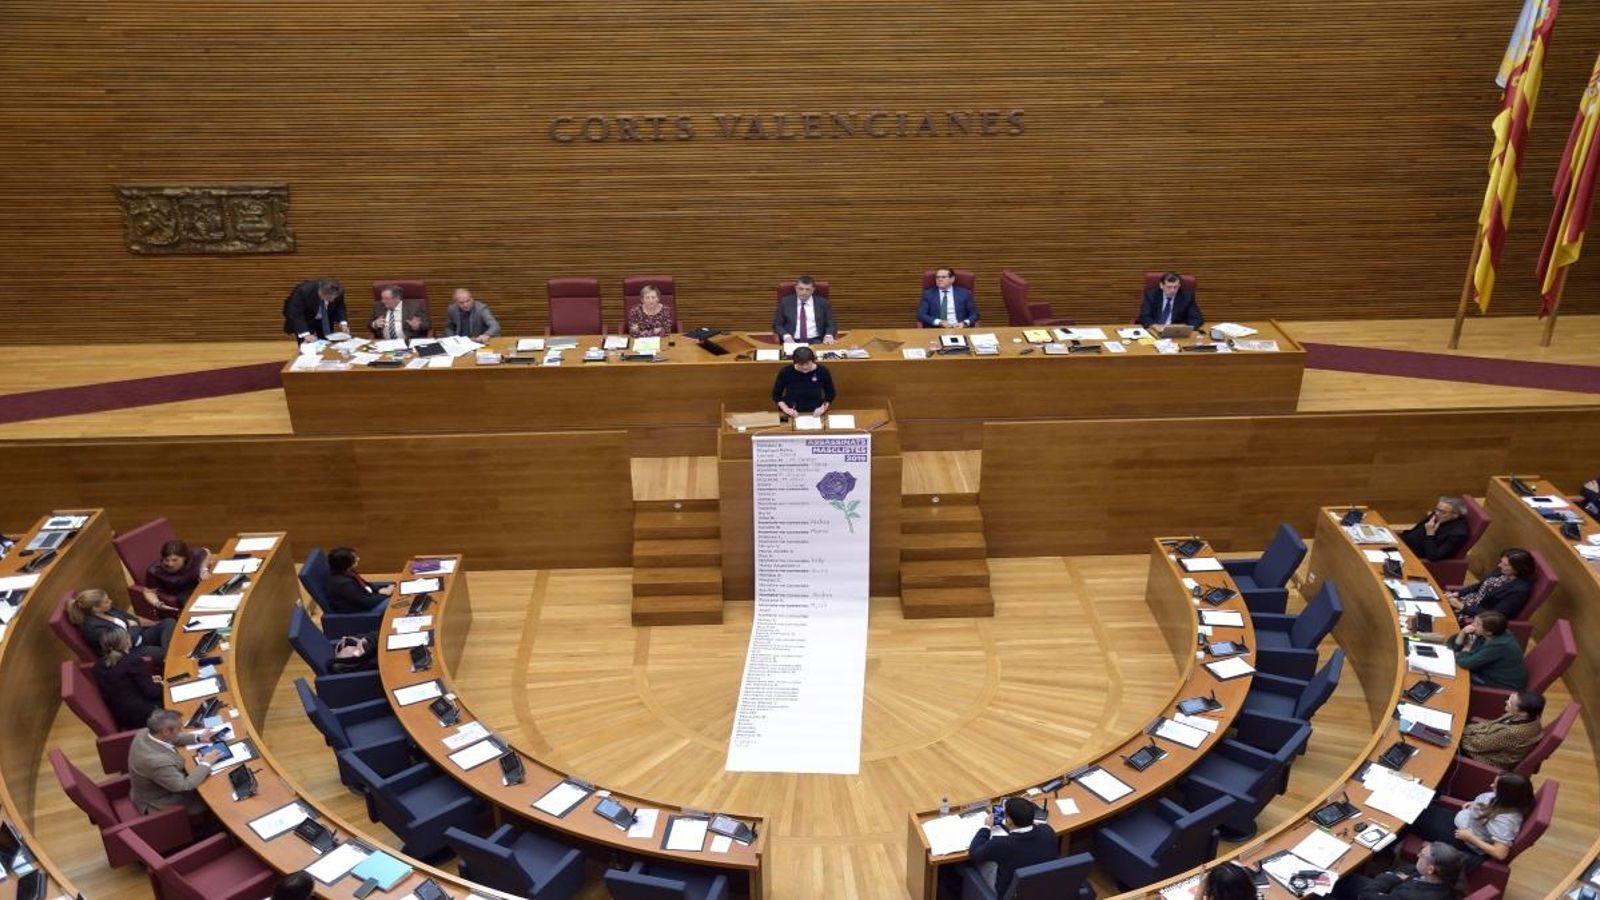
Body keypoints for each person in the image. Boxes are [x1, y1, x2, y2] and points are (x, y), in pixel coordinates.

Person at [1408, 773, 1533, 872]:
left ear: (1507, 794)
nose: (1491, 786)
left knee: (1410, 816)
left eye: (1496, 786)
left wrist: (1471, 837)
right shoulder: (1505, 801)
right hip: (1464, 821)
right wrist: (1474, 805)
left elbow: (1500, 853)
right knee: (1419, 808)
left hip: (1464, 839)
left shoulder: (1506, 820)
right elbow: (1490, 809)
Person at [128, 708, 224, 817]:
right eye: (179, 728)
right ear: (166, 731)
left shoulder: (145, 732)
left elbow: (172, 738)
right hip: (161, 801)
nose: (181, 731)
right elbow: (184, 786)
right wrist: (206, 764)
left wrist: (199, 738)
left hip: (159, 784)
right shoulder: (157, 762)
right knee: (218, 795)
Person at [965, 797, 1057, 898]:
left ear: (1008, 820)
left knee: (979, 860)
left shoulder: (1001, 844)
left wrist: (986, 827)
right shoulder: (1048, 831)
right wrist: (1025, 811)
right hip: (1043, 887)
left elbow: (974, 852)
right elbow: (1037, 827)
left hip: (1010, 894)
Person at [67, 588, 176, 663]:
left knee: (169, 622)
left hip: (138, 638)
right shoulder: (93, 628)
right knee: (162, 653)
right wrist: (132, 626)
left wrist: (133, 626)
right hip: (128, 653)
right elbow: (123, 644)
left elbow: (133, 619)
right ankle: (171, 656)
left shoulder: (109, 610)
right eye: (106, 601)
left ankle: (170, 655)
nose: (110, 601)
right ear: (95, 608)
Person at [1331, 841, 1465, 900]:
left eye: (1422, 856)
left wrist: (1389, 877)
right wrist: (1397, 877)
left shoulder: (1410, 897)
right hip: (1390, 890)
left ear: (1430, 869)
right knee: (1346, 879)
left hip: (1381, 892)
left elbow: (1367, 895)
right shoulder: (1448, 877)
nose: (1417, 855)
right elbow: (1409, 870)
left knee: (1334, 885)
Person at [93, 629, 164, 731]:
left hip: (123, 717)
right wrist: (160, 684)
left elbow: (123, 684)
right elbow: (153, 693)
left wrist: (148, 679)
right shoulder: (134, 661)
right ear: (127, 642)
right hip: (147, 716)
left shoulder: (98, 666)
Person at [1445, 549, 1534, 624]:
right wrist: (1457, 593)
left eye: (1505, 564)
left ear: (1518, 568)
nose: (1499, 565)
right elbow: (1479, 585)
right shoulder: (1501, 571)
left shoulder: (1519, 590)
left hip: (1478, 616)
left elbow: (1496, 615)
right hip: (1467, 601)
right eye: (1501, 562)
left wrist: (1462, 607)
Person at [1460, 691, 1545, 769]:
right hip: (1484, 741)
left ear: (1523, 713)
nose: (1506, 701)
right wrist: (1466, 730)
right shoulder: (1531, 717)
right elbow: (1491, 724)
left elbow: (1478, 746)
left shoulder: (1512, 733)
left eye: (1511, 703)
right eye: (1510, 698)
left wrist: (1458, 734)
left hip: (1485, 758)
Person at [1447, 610, 1527, 690]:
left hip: (1500, 684)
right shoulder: (1488, 633)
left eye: (1478, 624)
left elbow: (1465, 663)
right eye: (1475, 621)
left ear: (1489, 632)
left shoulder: (1499, 645)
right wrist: (1462, 633)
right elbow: (1451, 645)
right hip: (1485, 672)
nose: (1473, 625)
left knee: (1452, 677)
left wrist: (1466, 649)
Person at [141, 539, 211, 618]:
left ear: (184, 558)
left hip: (199, 584)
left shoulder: (194, 555)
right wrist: (157, 603)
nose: (170, 564)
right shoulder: (155, 570)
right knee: (201, 613)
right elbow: (148, 591)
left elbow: (206, 552)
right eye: (166, 560)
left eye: (175, 560)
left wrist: (203, 569)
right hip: (182, 594)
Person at [1400, 497, 1471, 562]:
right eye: (1437, 509)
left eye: (1443, 512)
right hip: (1402, 546)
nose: (1436, 513)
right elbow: (1414, 531)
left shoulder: (1458, 533)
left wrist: (1430, 534)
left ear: (1455, 515)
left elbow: (1434, 557)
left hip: (1413, 558)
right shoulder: (1437, 516)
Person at [772, 346, 836, 417]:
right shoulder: (786, 371)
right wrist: (786, 409)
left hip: (816, 412)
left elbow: (831, 394)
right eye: (801, 364)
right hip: (792, 411)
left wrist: (823, 407)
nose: (805, 367)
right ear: (795, 362)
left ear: (813, 360)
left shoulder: (822, 371)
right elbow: (776, 395)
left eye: (808, 363)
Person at [326, 547, 393, 614]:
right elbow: (365, 602)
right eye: (354, 558)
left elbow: (365, 584)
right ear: (345, 563)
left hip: (367, 597)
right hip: (360, 611)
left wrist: (379, 590)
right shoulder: (343, 584)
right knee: (396, 601)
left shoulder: (346, 570)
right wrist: (386, 595)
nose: (358, 559)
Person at [282, 278, 350, 343]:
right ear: (321, 292)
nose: (332, 301)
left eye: (334, 298)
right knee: (307, 344)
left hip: (325, 320)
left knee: (326, 342)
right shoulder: (304, 291)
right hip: (305, 320)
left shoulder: (337, 291)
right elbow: (296, 313)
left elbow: (340, 306)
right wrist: (306, 334)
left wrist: (343, 323)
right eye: (329, 298)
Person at [774, 275, 837, 344]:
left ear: (813, 290)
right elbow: (777, 324)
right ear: (796, 288)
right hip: (792, 341)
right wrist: (786, 336)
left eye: (808, 289)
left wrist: (828, 335)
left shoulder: (823, 303)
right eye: (801, 289)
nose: (804, 292)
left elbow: (831, 324)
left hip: (816, 341)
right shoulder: (785, 302)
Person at [1137, 271, 1203, 330]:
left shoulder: (1187, 297)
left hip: (1176, 332)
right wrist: (1155, 326)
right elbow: (1144, 316)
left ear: (1179, 286)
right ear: (1161, 285)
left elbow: (1196, 318)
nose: (1172, 290)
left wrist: (1184, 329)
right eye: (1169, 287)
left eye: (1175, 287)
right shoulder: (1151, 295)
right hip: (1154, 330)